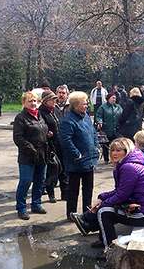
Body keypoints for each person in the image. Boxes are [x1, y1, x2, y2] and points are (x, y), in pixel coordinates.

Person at [69, 138, 144, 248]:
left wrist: (101, 205)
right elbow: (120, 191)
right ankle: (90, 225)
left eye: (119, 150)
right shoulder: (126, 165)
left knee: (104, 211)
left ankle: (109, 248)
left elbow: (122, 195)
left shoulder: (129, 167)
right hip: (142, 208)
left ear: (127, 151)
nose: (114, 153)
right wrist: (102, 197)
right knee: (105, 207)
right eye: (112, 150)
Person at [60, 91, 99, 220]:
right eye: (84, 103)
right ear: (76, 105)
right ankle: (71, 214)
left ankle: (87, 213)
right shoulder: (68, 120)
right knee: (73, 190)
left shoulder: (86, 116)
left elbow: (93, 133)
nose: (87, 105)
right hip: (76, 162)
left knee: (88, 188)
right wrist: (76, 154)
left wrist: (96, 146)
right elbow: (65, 140)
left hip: (89, 159)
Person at [13, 91, 49, 220]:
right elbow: (18, 138)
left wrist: (47, 134)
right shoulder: (20, 118)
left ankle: (36, 204)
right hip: (27, 157)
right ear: (24, 103)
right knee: (26, 181)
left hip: (42, 155)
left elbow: (42, 129)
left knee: (40, 181)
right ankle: (21, 208)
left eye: (35, 101)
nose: (33, 103)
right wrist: (31, 149)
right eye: (30, 101)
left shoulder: (39, 115)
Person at [39, 90, 67, 203]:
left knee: (64, 170)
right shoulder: (40, 112)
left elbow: (61, 123)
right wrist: (46, 133)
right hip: (49, 146)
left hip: (60, 143)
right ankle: (51, 193)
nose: (54, 101)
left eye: (55, 99)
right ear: (45, 101)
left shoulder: (55, 110)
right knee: (53, 170)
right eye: (52, 99)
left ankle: (65, 193)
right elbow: (40, 127)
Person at [95, 92, 123, 163]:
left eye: (115, 98)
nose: (114, 99)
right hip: (106, 129)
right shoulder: (103, 107)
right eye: (113, 98)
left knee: (117, 145)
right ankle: (106, 159)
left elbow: (123, 116)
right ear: (108, 98)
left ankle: (116, 159)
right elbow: (98, 116)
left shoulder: (118, 107)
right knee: (106, 145)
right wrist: (100, 122)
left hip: (116, 130)